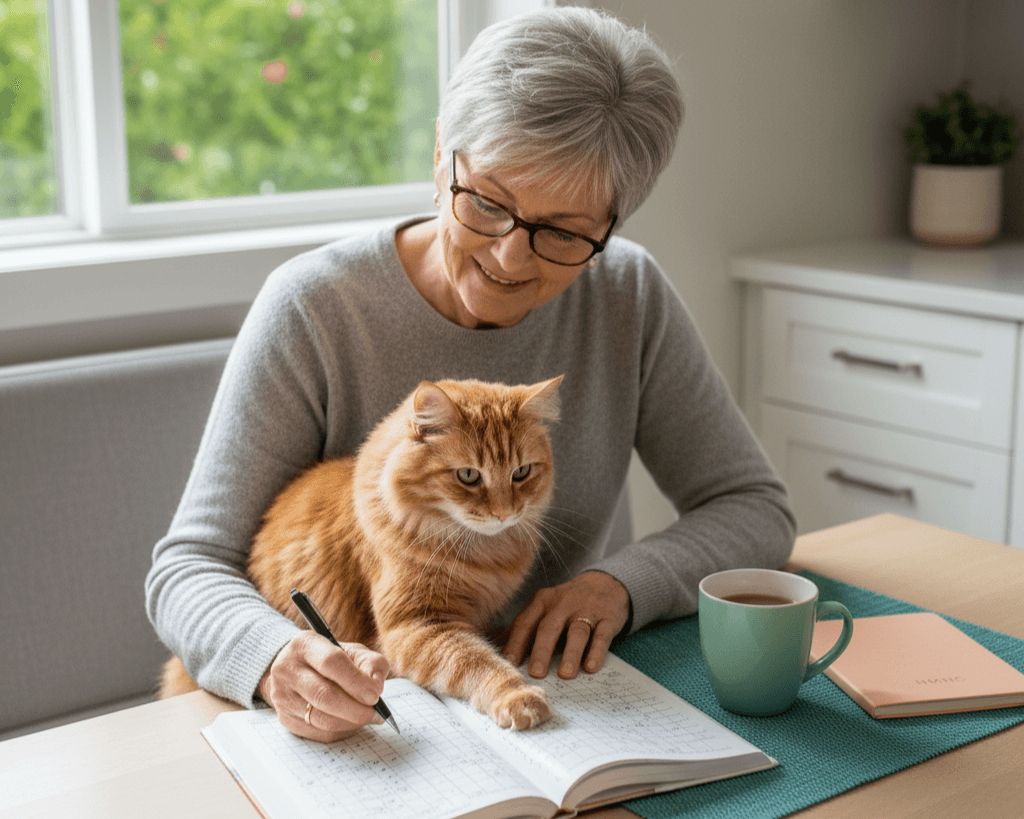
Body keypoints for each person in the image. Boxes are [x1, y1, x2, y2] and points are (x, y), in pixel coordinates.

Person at [146, 5, 795, 742]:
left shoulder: (627, 292)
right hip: (352, 726)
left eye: (563, 233)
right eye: (487, 202)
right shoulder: (317, 306)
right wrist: (274, 658)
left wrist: (622, 584)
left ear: (612, 223)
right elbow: (187, 569)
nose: (509, 258)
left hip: (571, 708)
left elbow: (754, 507)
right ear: (439, 156)